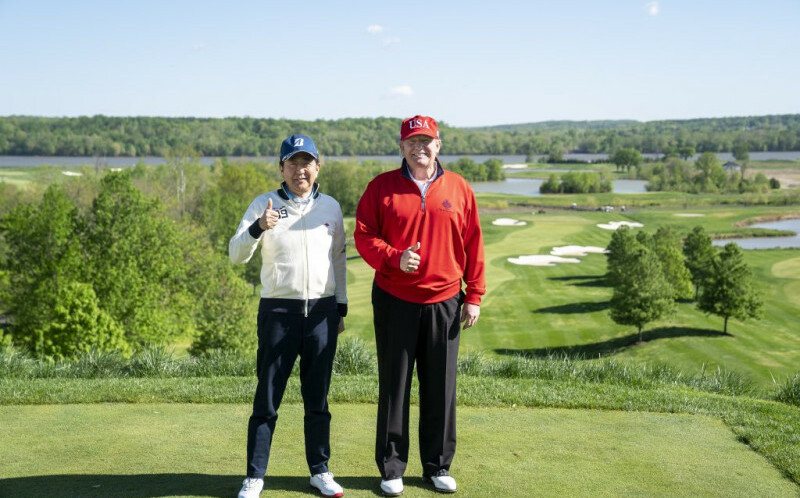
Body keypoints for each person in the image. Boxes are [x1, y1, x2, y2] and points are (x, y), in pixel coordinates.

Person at [354, 115, 486, 496]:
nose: (419, 148)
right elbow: (364, 235)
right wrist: (394, 258)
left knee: (440, 388)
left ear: (438, 145)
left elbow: (474, 242)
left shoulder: (459, 188)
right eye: (412, 142)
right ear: (402, 147)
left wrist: (474, 294)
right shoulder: (381, 188)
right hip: (395, 301)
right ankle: (392, 468)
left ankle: (437, 465)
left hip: (445, 301)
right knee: (394, 387)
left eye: (426, 141)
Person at [230, 134, 347, 498]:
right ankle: (255, 476)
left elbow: (339, 259)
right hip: (278, 313)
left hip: (322, 313)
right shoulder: (263, 205)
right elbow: (236, 254)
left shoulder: (331, 207)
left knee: (318, 400)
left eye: (306, 162)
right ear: (281, 168)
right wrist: (258, 227)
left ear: (317, 167)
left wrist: (340, 306)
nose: (300, 170)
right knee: (267, 400)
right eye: (292, 163)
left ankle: (320, 471)